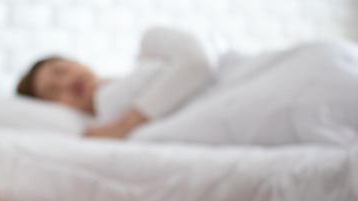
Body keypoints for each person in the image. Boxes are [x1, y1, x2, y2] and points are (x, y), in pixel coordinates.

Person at [17, 27, 217, 138]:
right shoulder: (100, 124)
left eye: (61, 70)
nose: (67, 82)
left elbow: (198, 61)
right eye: (53, 92)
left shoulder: (148, 47)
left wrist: (125, 125)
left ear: (75, 61)